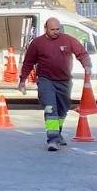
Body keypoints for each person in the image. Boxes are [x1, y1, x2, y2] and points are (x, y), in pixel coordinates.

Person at [18, 17, 92, 152]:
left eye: (58, 29)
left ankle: (57, 133)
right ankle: (52, 140)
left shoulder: (68, 40)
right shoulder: (37, 43)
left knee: (62, 111)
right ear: (46, 28)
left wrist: (87, 66)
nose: (56, 32)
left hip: (64, 81)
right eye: (52, 29)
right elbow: (28, 62)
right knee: (50, 109)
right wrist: (23, 80)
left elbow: (82, 54)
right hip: (46, 80)